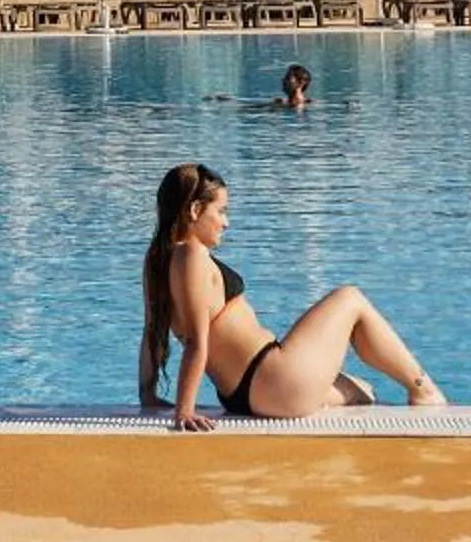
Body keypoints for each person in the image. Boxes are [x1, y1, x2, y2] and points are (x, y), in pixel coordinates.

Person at [139, 162, 444, 429]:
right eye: (221, 211)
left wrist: (147, 394)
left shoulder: (157, 259)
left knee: (363, 392)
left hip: (245, 395)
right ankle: (424, 390)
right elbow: (196, 340)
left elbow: (153, 331)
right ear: (195, 210)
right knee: (350, 298)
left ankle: (395, 392)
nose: (226, 222)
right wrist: (184, 411)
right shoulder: (191, 255)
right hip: (274, 378)